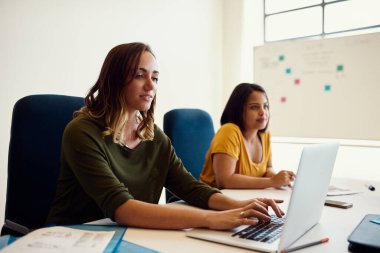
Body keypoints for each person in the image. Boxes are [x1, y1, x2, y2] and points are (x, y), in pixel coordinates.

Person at [46, 43, 284, 230]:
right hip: (75, 237)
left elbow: (191, 188)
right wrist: (211, 219)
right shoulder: (82, 131)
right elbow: (121, 208)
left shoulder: (153, 136)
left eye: (155, 77)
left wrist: (240, 206)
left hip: (129, 233)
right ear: (115, 79)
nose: (151, 86)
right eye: (140, 75)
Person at [200, 83, 295, 189]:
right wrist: (271, 181)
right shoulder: (229, 131)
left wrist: (280, 179)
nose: (263, 112)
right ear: (238, 110)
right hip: (212, 200)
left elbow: (267, 168)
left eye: (265, 106)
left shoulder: (264, 135)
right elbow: (225, 181)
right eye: (254, 107)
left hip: (245, 198)